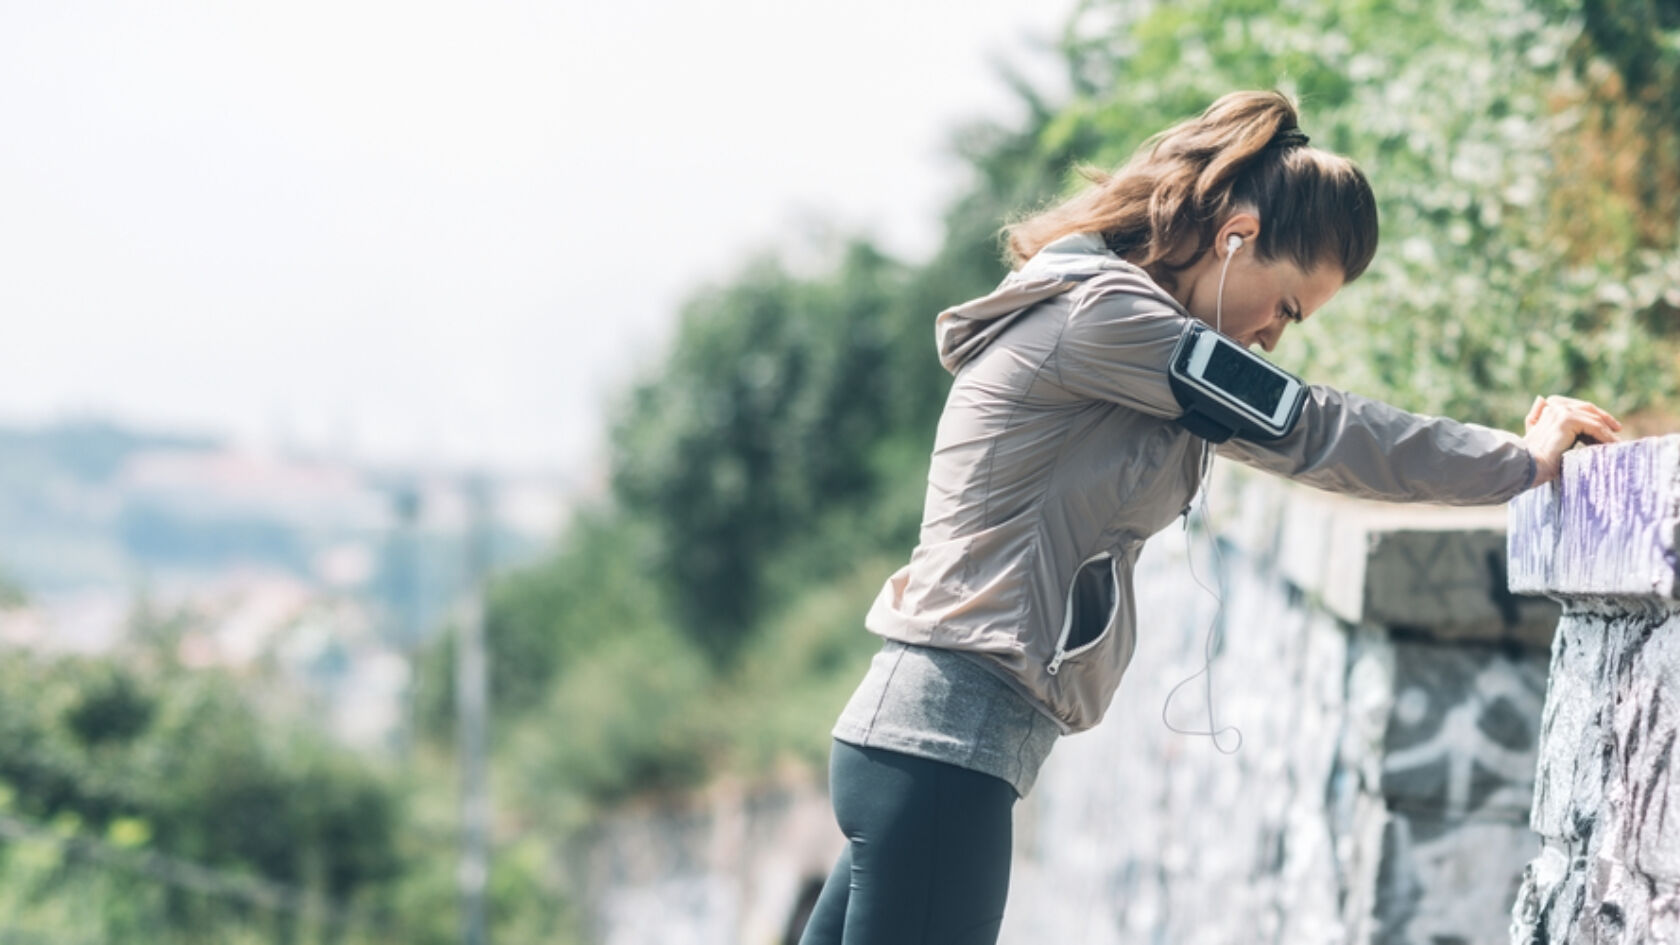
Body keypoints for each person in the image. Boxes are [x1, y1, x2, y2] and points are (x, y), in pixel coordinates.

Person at [795, 90, 1621, 945]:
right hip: (944, 743)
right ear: (1237, 236)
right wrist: (1520, 463)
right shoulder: (1112, 317)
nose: (1273, 336)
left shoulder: (1127, 334)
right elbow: (1309, 427)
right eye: (1287, 305)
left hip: (930, 740)